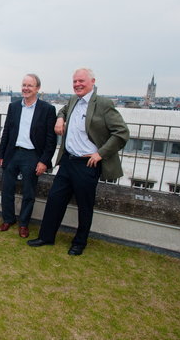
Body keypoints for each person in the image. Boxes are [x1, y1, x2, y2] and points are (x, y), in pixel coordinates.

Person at [27, 68, 129, 255]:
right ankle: (46, 237)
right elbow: (64, 110)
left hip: (87, 164)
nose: (77, 84)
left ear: (92, 82)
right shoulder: (74, 99)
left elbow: (122, 132)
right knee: (55, 200)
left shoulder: (104, 104)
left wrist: (101, 154)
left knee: (84, 206)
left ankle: (79, 243)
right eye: (74, 81)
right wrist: (60, 118)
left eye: (81, 81)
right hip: (67, 161)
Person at [0, 74, 57, 238]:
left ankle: (24, 224)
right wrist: (1, 153)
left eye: (30, 85)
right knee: (6, 188)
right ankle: (8, 219)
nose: (26, 88)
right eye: (24, 85)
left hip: (32, 155)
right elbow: (7, 132)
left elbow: (51, 140)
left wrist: (44, 161)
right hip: (12, 153)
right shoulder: (14, 106)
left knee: (29, 192)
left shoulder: (47, 109)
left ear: (37, 88)